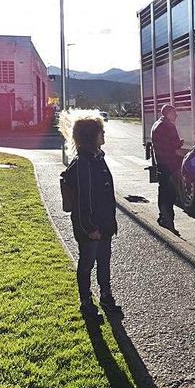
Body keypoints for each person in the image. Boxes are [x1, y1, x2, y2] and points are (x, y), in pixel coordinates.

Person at [60, 111, 121, 323]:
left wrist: (110, 221)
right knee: (87, 264)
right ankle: (86, 302)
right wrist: (89, 227)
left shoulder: (97, 158)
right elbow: (83, 200)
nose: (104, 135)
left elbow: (106, 194)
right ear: (89, 136)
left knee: (104, 262)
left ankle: (106, 296)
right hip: (90, 227)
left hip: (103, 224)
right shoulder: (83, 163)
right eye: (100, 132)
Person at [150, 104, 183, 233]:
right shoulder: (168, 126)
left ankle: (162, 217)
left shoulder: (156, 124)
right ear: (168, 113)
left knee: (163, 192)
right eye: (174, 112)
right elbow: (173, 144)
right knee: (170, 194)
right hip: (169, 163)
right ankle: (169, 222)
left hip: (161, 163)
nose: (176, 115)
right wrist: (180, 143)